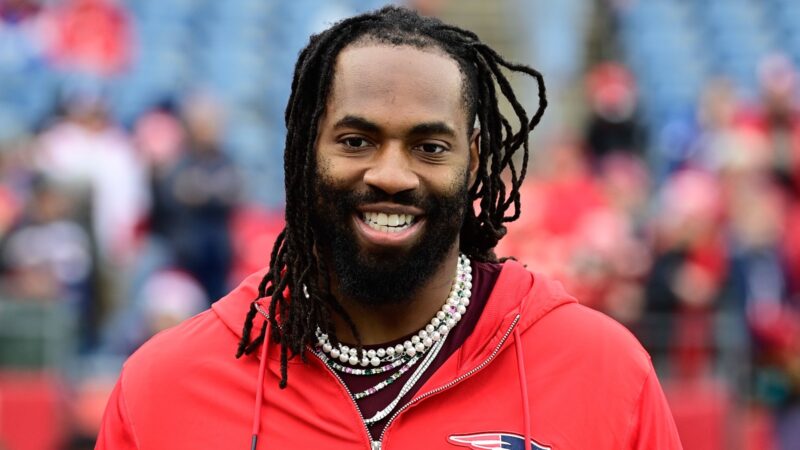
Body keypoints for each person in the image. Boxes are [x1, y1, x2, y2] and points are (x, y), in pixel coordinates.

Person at [96, 7, 682, 449]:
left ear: (474, 160)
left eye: (429, 146)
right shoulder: (165, 387)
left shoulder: (604, 373)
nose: (392, 175)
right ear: (306, 151)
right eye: (357, 141)